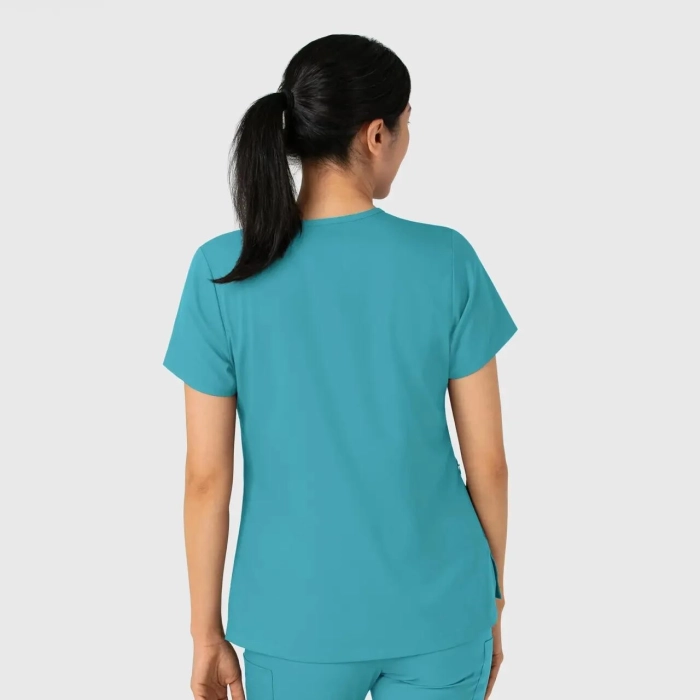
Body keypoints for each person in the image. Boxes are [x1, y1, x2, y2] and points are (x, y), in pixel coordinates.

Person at [164, 33, 517, 700]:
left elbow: (206, 479)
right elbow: (490, 465)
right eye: (408, 124)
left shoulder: (220, 270)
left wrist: (206, 634)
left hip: (295, 622)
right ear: (377, 134)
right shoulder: (447, 260)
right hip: (443, 612)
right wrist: (491, 598)